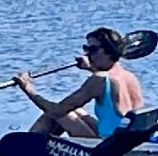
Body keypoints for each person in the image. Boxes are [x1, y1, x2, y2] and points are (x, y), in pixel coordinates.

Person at [15, 27, 146, 141]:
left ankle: (26, 149)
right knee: (76, 111)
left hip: (109, 147)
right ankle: (35, 147)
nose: (87, 54)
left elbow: (57, 110)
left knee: (57, 113)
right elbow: (108, 83)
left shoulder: (99, 79)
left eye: (92, 50)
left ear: (108, 51)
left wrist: (28, 89)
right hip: (126, 140)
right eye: (86, 49)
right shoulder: (129, 76)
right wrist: (91, 68)